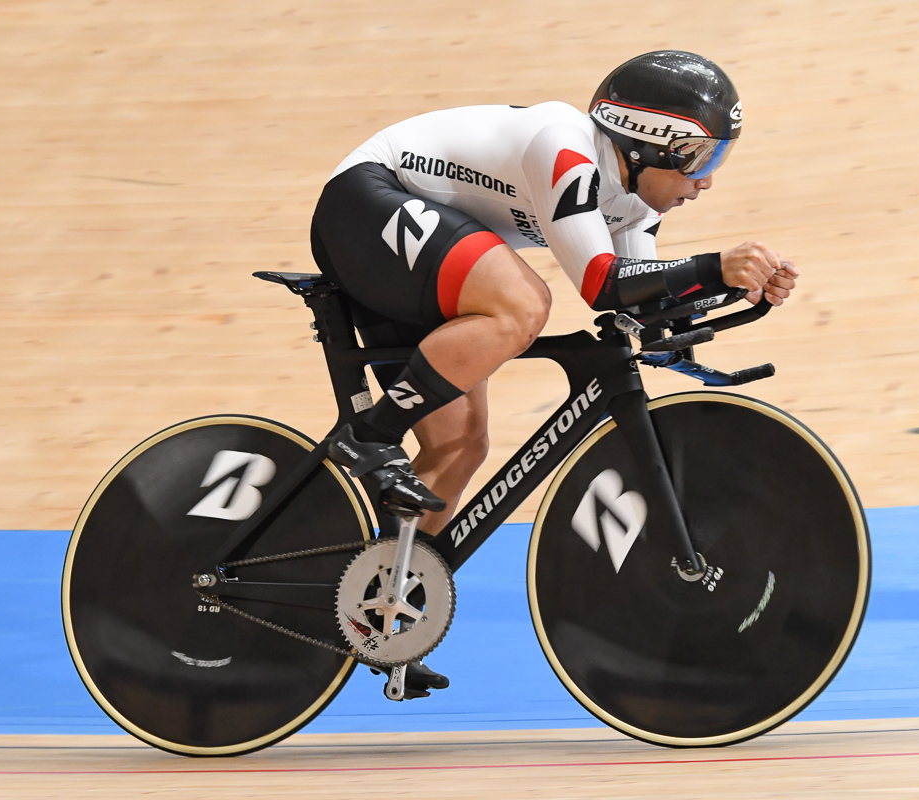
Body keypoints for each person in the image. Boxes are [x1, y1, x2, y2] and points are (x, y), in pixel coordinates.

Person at [310, 50, 798, 696]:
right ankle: (370, 433)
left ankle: (380, 617)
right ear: (651, 144)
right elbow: (602, 284)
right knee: (522, 305)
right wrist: (715, 266)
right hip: (368, 202)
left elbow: (639, 303)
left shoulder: (631, 205)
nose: (705, 183)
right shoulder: (566, 149)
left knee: (459, 445)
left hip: (415, 254)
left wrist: (743, 294)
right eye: (698, 161)